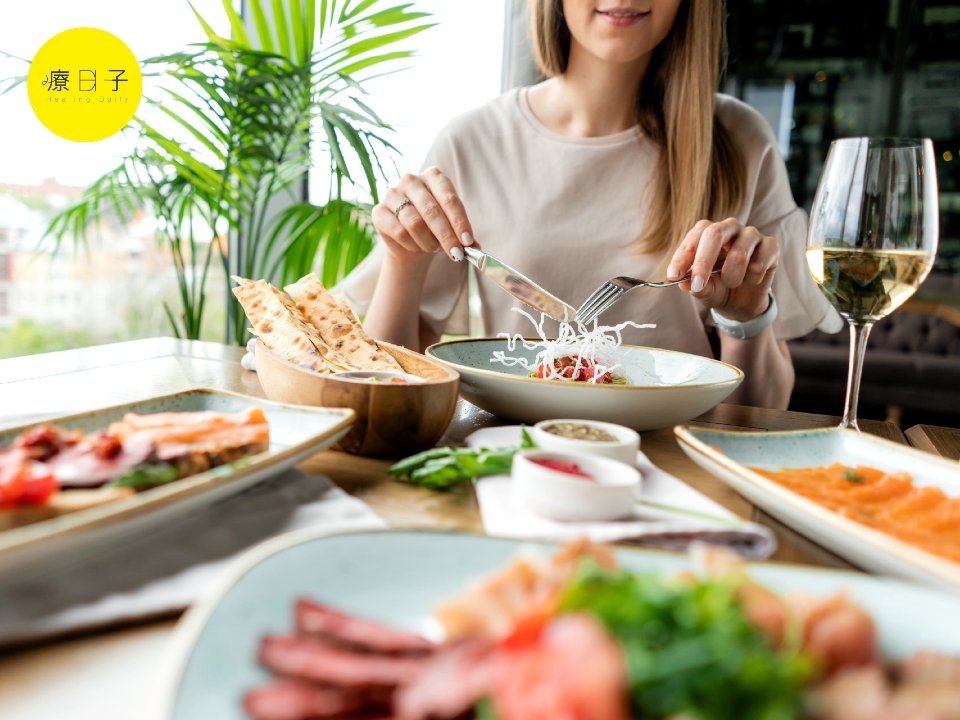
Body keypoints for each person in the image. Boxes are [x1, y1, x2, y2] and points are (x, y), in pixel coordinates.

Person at [335, 0, 842, 409]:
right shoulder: (474, 139)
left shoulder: (739, 139)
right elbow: (388, 384)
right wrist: (403, 260)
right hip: (512, 455)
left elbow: (765, 408)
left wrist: (746, 314)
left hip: (680, 466)